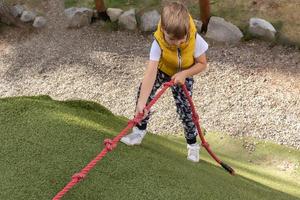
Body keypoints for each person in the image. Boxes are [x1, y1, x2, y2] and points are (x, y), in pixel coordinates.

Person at [120, 1, 208, 163]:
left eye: (181, 41)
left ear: (187, 31)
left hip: (184, 74)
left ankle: (193, 146)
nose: (176, 44)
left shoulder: (195, 39)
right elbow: (151, 71)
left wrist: (185, 74)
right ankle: (138, 131)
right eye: (172, 40)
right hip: (162, 70)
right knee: (144, 97)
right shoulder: (158, 42)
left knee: (186, 110)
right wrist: (141, 103)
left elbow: (202, 64)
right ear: (163, 30)